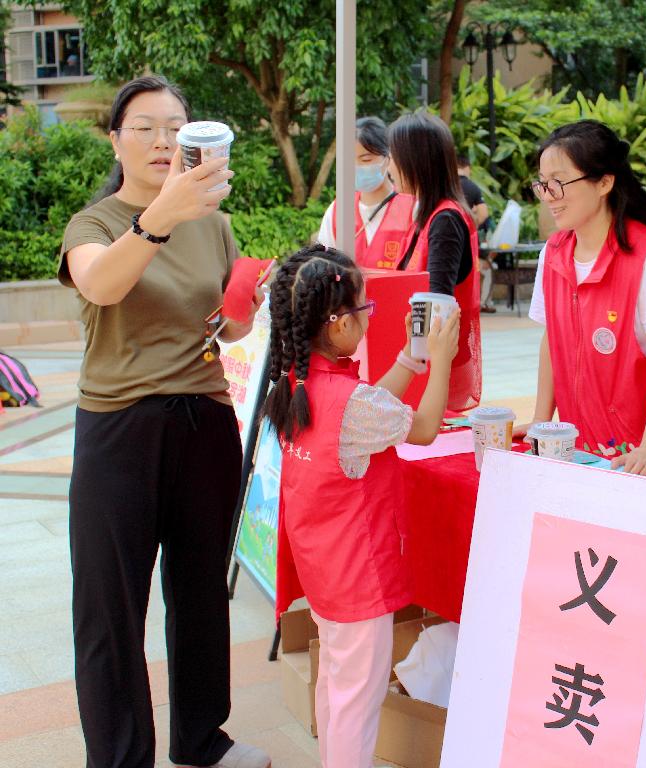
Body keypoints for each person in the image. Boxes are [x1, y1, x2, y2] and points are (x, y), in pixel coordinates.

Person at [59, 76, 270, 768]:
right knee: (110, 605)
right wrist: (161, 216)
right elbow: (102, 284)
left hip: (204, 420)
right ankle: (121, 757)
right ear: (115, 141)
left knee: (201, 591)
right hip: (119, 428)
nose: (162, 141)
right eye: (144, 127)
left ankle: (202, 739)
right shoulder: (93, 224)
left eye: (175, 128)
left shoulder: (214, 223)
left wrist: (245, 308)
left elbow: (224, 328)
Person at [266, 244, 460, 768]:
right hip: (358, 578)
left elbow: (372, 412)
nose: (370, 316)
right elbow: (422, 427)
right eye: (364, 308)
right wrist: (440, 361)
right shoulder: (349, 403)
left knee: (337, 685)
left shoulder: (296, 383)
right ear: (337, 323)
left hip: (324, 570)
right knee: (358, 701)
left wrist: (409, 361)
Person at [515, 119, 646, 479]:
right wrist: (541, 422)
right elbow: (552, 340)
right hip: (584, 446)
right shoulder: (553, 254)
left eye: (559, 182)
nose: (548, 195)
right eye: (542, 183)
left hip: (645, 452)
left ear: (604, 182)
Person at [388, 111, 481, 411]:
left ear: (415, 161)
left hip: (437, 372)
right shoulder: (427, 214)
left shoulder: (445, 220)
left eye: (393, 158)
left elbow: (437, 306)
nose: (389, 167)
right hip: (425, 364)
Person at [318, 116, 415, 268]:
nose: (357, 167)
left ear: (388, 158)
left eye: (366, 160)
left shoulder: (412, 208)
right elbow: (324, 266)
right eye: (350, 161)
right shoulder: (338, 210)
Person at [457, 155, 495, 313]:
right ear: (467, 168)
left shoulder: (446, 185)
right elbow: (484, 213)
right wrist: (472, 224)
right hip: (468, 243)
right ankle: (479, 304)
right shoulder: (473, 187)